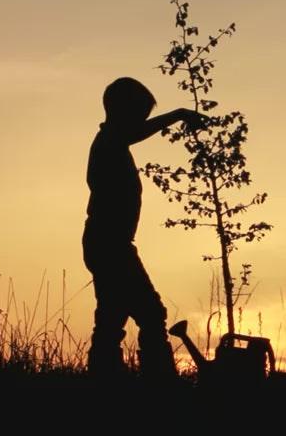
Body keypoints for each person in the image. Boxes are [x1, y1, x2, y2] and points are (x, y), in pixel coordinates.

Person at [82, 76, 207, 379]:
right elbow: (131, 133)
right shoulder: (110, 141)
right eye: (140, 115)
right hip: (111, 245)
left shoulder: (111, 143)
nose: (143, 122)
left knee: (112, 317)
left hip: (109, 244)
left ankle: (106, 382)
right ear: (123, 112)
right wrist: (178, 115)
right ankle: (159, 383)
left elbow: (131, 133)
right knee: (151, 313)